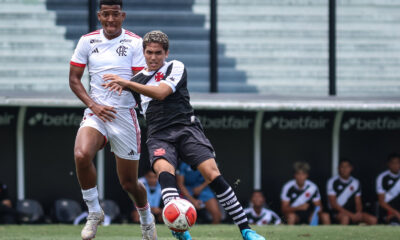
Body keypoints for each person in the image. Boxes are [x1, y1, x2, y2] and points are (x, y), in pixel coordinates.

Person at [102, 30, 265, 240]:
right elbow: (127, 107)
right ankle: (178, 229)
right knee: (164, 172)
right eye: (149, 52)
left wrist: (127, 83)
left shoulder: (175, 67)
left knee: (212, 174)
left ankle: (246, 230)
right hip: (159, 135)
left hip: (186, 129)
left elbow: (161, 93)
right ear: (143, 52)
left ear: (166, 53)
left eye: (158, 53)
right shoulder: (137, 80)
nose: (153, 57)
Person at [69, 0, 156, 239]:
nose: (110, 19)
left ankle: (147, 218)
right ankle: (94, 212)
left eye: (114, 15)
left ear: (122, 15)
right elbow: (74, 79)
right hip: (96, 113)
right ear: (99, 15)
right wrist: (93, 105)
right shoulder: (87, 41)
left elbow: (143, 82)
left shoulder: (135, 42)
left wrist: (124, 83)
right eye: (105, 14)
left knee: (129, 183)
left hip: (124, 115)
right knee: (81, 154)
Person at [327, 159, 377, 225]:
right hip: (337, 213)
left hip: (353, 212)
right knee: (345, 218)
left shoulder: (355, 182)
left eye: (347, 167)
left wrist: (358, 213)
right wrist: (351, 215)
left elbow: (358, 202)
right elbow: (333, 204)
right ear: (338, 168)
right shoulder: (332, 182)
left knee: (373, 219)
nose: (345, 169)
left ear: (351, 168)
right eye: (342, 167)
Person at [376, 153, 400, 224]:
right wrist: (396, 213)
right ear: (388, 164)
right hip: (388, 212)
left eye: (398, 163)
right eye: (393, 163)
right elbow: (381, 201)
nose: (395, 165)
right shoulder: (382, 177)